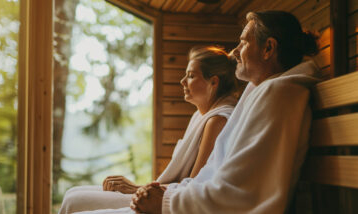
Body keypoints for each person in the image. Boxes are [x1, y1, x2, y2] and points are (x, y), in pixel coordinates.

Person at [125, 10, 321, 214]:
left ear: (268, 48)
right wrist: (165, 193)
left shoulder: (279, 95)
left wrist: (166, 202)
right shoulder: (263, 92)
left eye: (243, 43)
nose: (233, 52)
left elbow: (242, 193)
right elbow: (215, 176)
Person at [58, 46, 241, 213]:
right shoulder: (200, 117)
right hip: (168, 192)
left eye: (191, 76)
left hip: (174, 200)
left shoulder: (218, 121)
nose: (182, 81)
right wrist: (139, 187)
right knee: (72, 193)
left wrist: (137, 188)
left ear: (213, 82)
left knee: (75, 200)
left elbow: (193, 186)